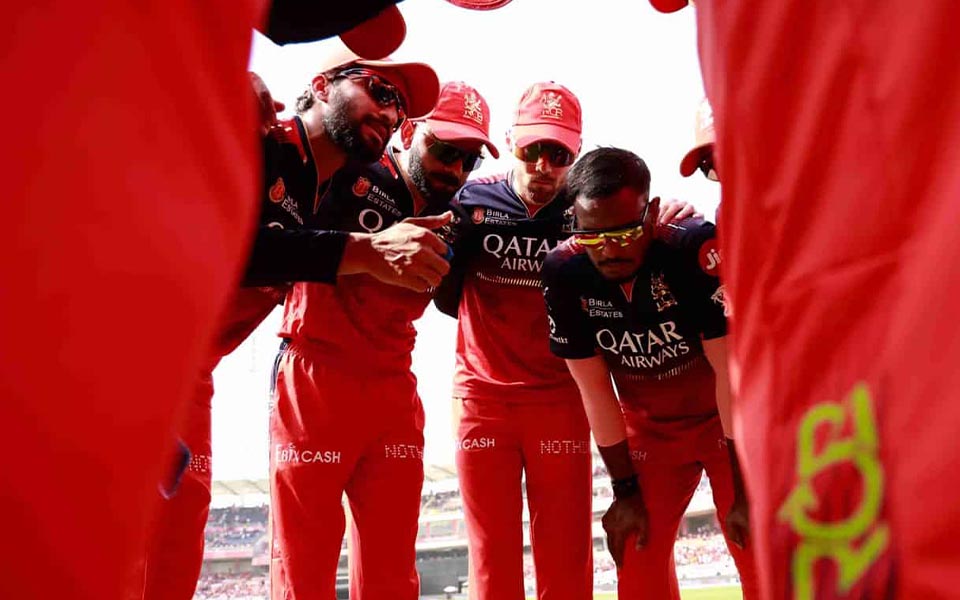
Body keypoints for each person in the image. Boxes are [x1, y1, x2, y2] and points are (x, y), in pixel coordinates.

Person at [649, 2, 960, 597]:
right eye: (711, 166)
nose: (726, 172)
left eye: (731, 150)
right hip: (806, 417)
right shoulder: (722, 227)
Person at [133, 47, 442, 600]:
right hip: (133, 353)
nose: (390, 112)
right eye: (378, 90)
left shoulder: (324, 191)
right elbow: (234, 244)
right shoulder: (262, 141)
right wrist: (364, 252)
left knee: (174, 556)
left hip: (191, 377)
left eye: (400, 107)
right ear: (321, 86)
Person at [434, 82, 698, 600]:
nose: (543, 166)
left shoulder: (588, 212)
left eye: (558, 154)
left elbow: (639, 230)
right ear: (510, 141)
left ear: (576, 154)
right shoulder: (470, 202)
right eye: (532, 149)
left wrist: (673, 213)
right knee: (491, 555)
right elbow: (446, 296)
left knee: (566, 551)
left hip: (561, 400)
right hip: (482, 400)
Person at [269, 79, 499, 600]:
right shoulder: (349, 168)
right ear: (410, 132)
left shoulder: (464, 214)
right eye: (445, 150)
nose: (455, 170)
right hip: (315, 376)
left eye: (469, 161)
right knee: (304, 561)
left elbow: (543, 201)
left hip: (393, 386)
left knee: (392, 567)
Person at [541, 147, 758, 599]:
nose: (609, 250)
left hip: (721, 421)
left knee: (755, 545)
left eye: (624, 232)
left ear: (652, 211)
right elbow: (595, 391)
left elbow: (729, 373)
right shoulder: (563, 270)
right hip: (650, 432)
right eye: (592, 236)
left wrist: (745, 488)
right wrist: (623, 491)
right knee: (636, 558)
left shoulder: (691, 246)